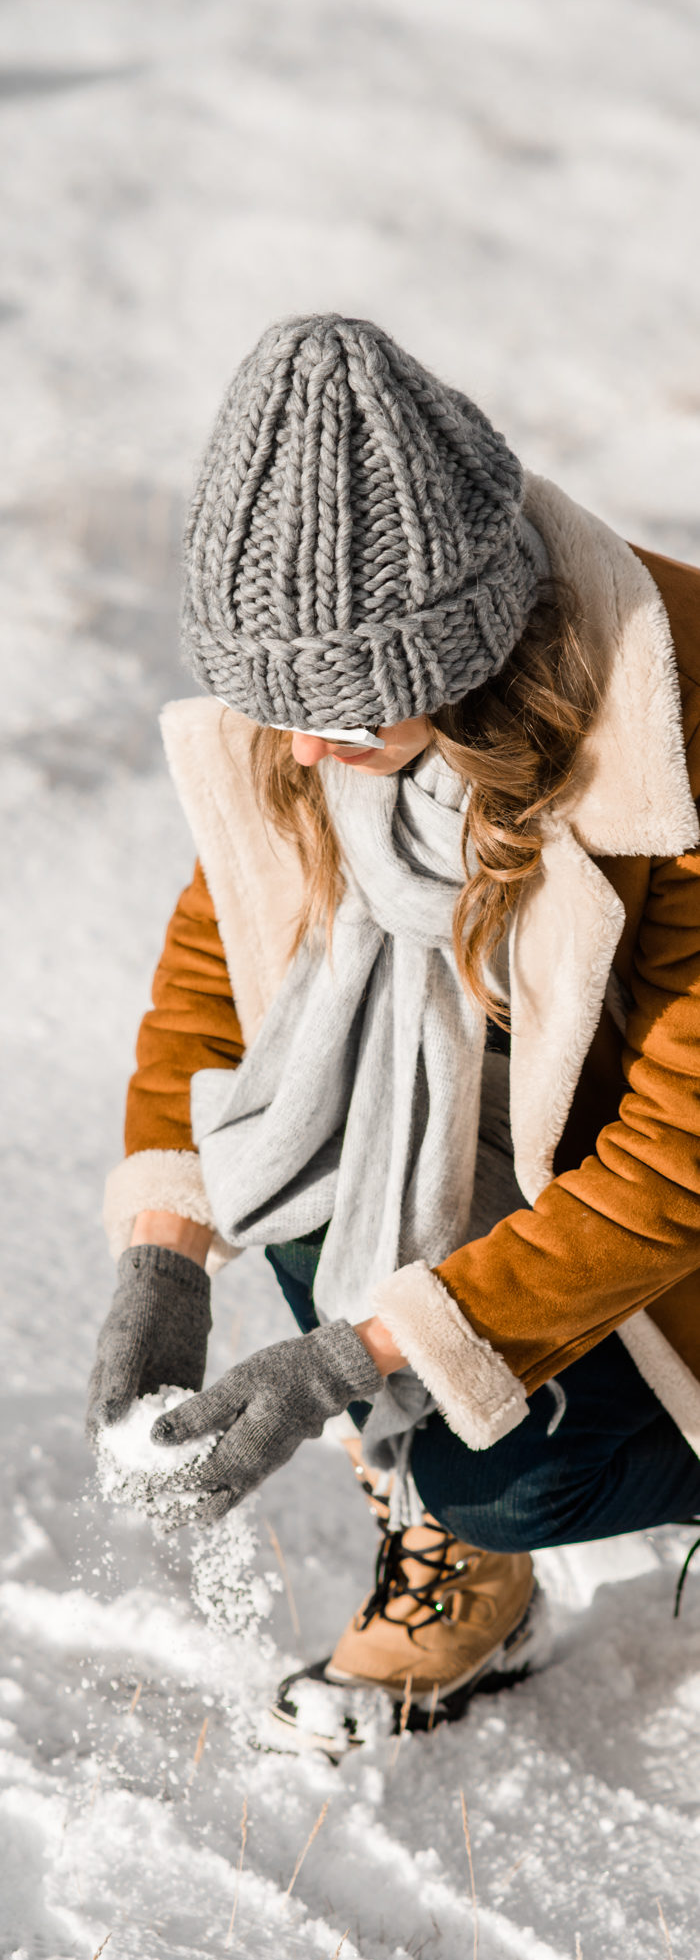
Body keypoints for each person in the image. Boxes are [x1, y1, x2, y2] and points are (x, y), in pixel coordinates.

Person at [88, 313, 700, 1742]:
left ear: (471, 656)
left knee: (510, 1468)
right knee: (294, 1166)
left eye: (341, 717)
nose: (300, 753)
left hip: (668, 1215)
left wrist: (351, 1360)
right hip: (519, 1157)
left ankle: (520, 1507)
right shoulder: (326, 716)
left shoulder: (676, 753)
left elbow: (678, 1161)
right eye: (275, 710)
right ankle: (468, 1560)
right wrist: (164, 1255)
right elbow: (229, 947)